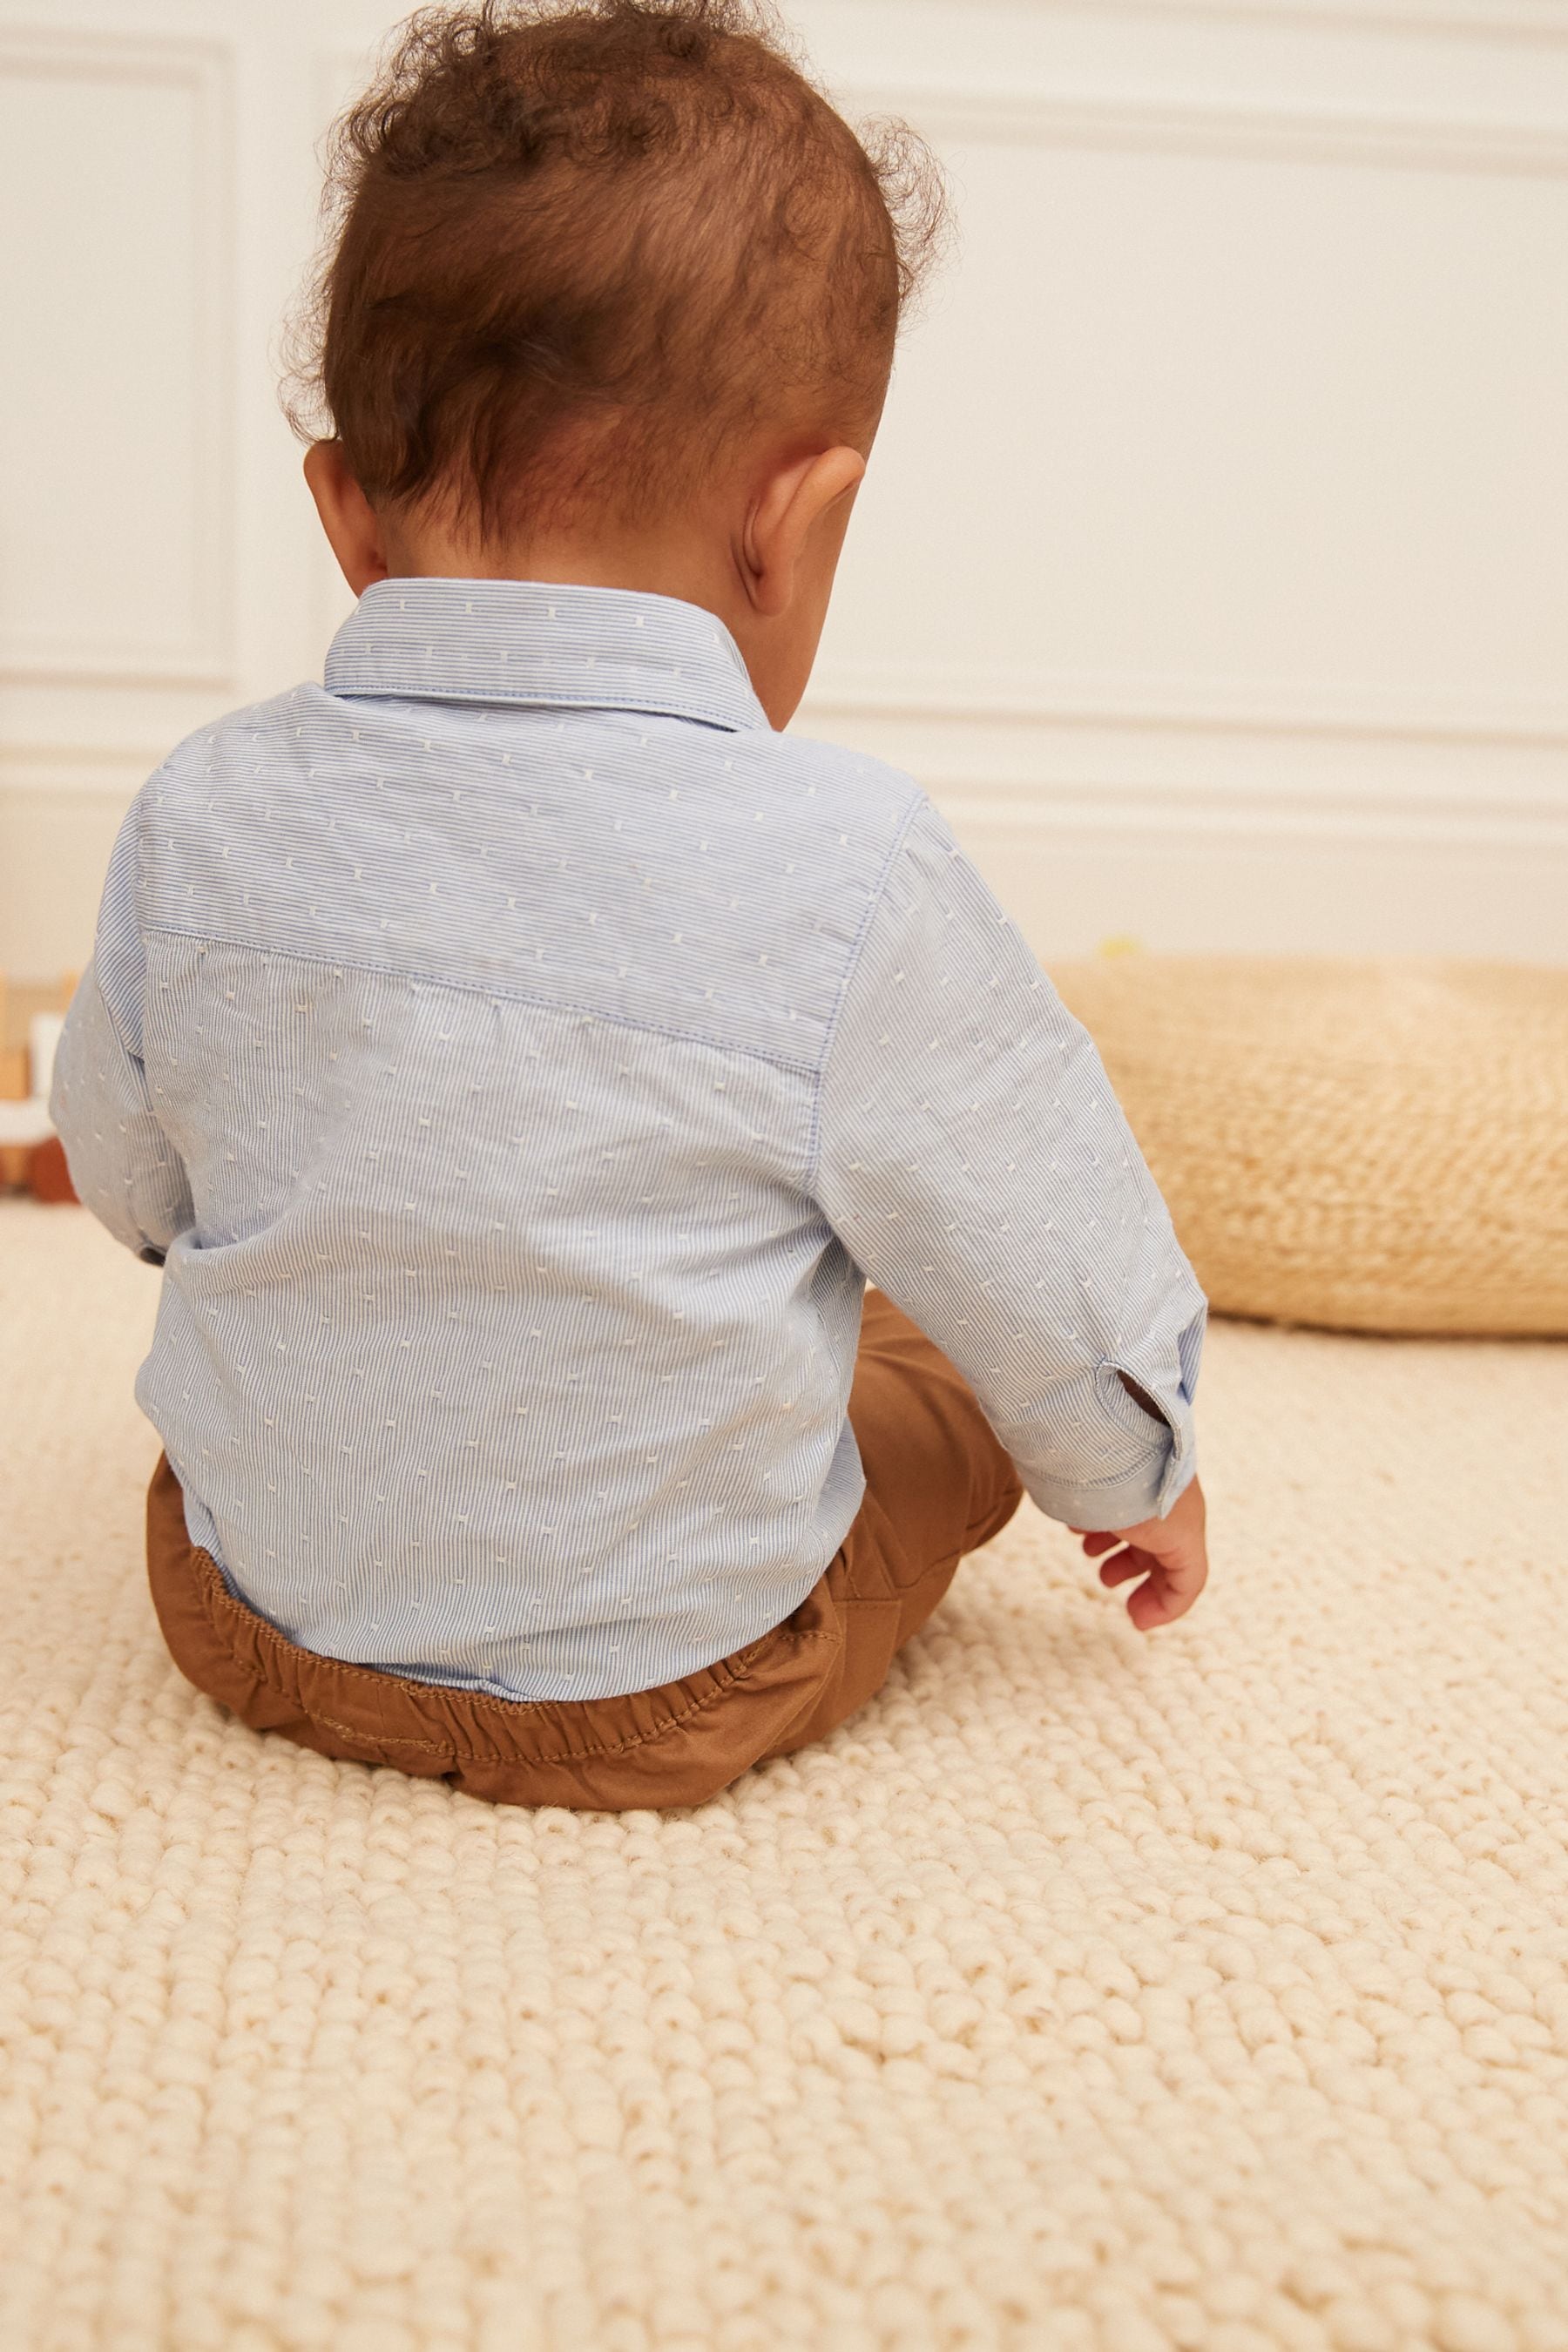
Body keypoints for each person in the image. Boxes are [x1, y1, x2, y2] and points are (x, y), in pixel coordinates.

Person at [51, 0, 1208, 1810]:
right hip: (664, 1688)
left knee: (257, 1362)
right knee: (945, 1356)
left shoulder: (203, 809)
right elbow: (1048, 1237)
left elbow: (130, 1176)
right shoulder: (852, 867)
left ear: (348, 519)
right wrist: (1136, 1468)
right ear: (798, 525)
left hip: (243, 1615)